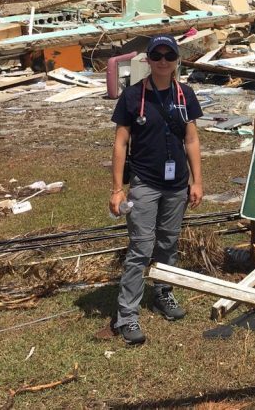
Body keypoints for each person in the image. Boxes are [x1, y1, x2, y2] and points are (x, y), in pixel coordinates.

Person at [109, 34, 203, 345]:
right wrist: (117, 189)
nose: (163, 61)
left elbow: (191, 140)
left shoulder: (185, 95)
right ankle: (127, 315)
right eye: (157, 55)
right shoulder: (133, 96)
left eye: (169, 55)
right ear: (148, 60)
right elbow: (121, 143)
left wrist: (197, 181)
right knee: (140, 248)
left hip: (176, 186)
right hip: (145, 183)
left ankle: (164, 293)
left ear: (177, 60)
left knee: (168, 244)